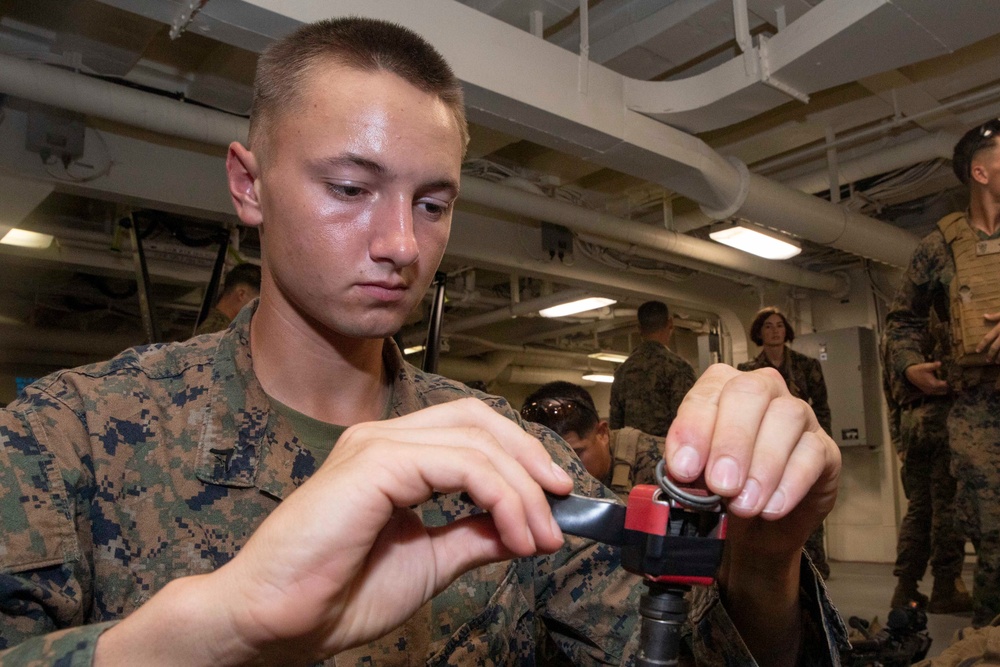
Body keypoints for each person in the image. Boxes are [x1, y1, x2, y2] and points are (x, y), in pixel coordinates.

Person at [0, 17, 847, 665]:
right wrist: (218, 629)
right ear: (248, 185)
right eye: (348, 187)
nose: (402, 244)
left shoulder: (515, 460)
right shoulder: (69, 438)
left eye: (432, 204)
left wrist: (763, 563)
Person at [883, 119, 1000, 628]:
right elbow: (902, 319)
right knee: (990, 528)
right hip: (974, 407)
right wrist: (909, 365)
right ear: (980, 170)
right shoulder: (939, 246)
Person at [881, 316, 970, 612]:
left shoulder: (894, 336)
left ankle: (905, 588)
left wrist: (898, 440)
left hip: (911, 423)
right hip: (946, 417)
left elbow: (888, 392)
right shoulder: (946, 320)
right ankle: (946, 586)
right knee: (947, 508)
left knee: (918, 510)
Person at [737, 306, 832, 580]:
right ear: (759, 333)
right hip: (766, 451)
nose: (775, 330)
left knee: (810, 511)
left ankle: (815, 573)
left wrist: (823, 444)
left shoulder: (807, 366)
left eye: (779, 325)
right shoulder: (749, 371)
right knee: (767, 509)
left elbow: (823, 409)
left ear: (786, 331)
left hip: (804, 448)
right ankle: (771, 572)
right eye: (768, 326)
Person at [521, 381, 662, 500]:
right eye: (550, 458)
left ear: (602, 433)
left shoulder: (658, 464)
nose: (562, 469)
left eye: (574, 455)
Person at [609, 300, 697, 437]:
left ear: (639, 328)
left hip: (630, 455)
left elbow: (615, 427)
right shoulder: (679, 368)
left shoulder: (622, 371)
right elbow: (687, 420)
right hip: (666, 454)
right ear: (670, 323)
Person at [195, 261, 263, 334]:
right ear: (241, 294)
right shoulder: (219, 331)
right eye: (257, 302)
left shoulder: (215, 325)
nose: (259, 310)